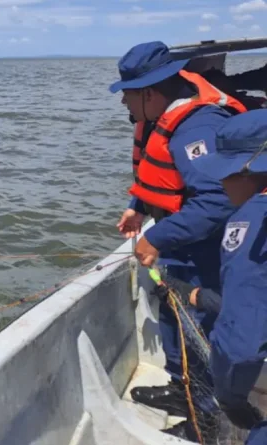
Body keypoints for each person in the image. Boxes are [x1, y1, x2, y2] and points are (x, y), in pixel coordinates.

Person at [110, 41, 248, 440]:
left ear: (150, 92)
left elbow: (218, 199)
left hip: (206, 248)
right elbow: (162, 174)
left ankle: (205, 418)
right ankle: (181, 389)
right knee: (171, 310)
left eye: (127, 96)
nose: (124, 106)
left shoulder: (198, 127)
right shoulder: (163, 111)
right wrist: (139, 205)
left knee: (198, 327)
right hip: (180, 243)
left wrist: (159, 238)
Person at [189, 109, 267, 444]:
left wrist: (230, 398)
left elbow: (241, 345)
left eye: (226, 171)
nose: (220, 182)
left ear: (249, 170)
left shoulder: (252, 221)